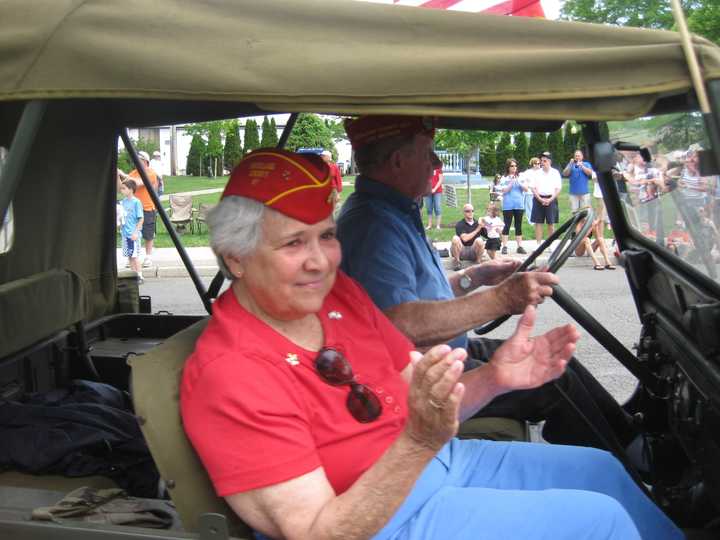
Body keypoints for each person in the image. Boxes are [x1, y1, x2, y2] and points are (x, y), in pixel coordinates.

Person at [181, 148, 681, 540]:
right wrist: (420, 440)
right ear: (237, 258)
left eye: (327, 237)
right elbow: (318, 531)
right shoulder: (232, 372)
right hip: (379, 523)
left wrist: (495, 378)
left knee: (601, 472)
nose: (320, 262)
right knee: (597, 523)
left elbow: (418, 403)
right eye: (293, 243)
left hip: (434, 467)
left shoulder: (339, 299)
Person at [337, 116, 638, 450]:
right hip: (423, 382)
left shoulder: (392, 212)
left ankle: (629, 433)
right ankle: (632, 461)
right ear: (397, 161)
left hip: (444, 354)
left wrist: (475, 277)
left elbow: (422, 298)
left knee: (559, 360)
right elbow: (399, 323)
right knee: (556, 381)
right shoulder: (374, 227)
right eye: (429, 154)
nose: (436, 163)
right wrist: (501, 298)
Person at [124, 151, 159, 268]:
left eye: (139, 159)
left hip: (147, 207)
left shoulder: (151, 173)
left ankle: (148, 257)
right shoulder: (133, 173)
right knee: (131, 232)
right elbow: (124, 185)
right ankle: (132, 258)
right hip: (133, 209)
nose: (136, 161)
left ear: (145, 161)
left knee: (148, 234)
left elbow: (138, 183)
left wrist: (123, 174)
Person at [530, 151, 561, 247]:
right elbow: (533, 187)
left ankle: (550, 244)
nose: (542, 163)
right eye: (541, 161)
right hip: (538, 199)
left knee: (550, 223)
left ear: (550, 161)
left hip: (551, 199)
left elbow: (558, 188)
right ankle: (538, 244)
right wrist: (540, 199)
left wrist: (550, 199)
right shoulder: (537, 173)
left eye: (545, 161)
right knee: (538, 222)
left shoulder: (555, 173)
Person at [499, 158, 528, 255]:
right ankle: (505, 246)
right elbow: (504, 191)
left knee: (518, 225)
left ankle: (519, 246)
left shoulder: (521, 177)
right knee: (506, 225)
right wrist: (511, 182)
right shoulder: (504, 178)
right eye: (512, 166)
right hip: (508, 205)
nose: (514, 168)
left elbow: (526, 189)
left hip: (519, 205)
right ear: (508, 167)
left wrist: (518, 182)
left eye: (515, 166)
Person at [118, 180, 144, 283]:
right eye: (121, 188)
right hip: (125, 234)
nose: (121, 190)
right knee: (129, 256)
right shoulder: (122, 202)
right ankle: (133, 275)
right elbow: (121, 217)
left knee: (135, 256)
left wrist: (136, 232)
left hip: (133, 235)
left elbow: (141, 219)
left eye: (124, 188)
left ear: (131, 190)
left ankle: (140, 275)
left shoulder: (136, 202)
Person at [450, 204, 486, 271]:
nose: (470, 213)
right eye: (468, 211)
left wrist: (490, 227)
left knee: (480, 240)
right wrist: (478, 229)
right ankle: (457, 262)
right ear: (464, 212)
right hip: (461, 251)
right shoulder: (460, 224)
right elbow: (465, 239)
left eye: (472, 211)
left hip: (474, 252)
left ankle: (478, 262)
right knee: (455, 238)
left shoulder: (478, 223)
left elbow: (489, 237)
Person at [424, 155, 443, 230]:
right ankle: (429, 225)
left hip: (437, 191)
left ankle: (438, 225)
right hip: (428, 191)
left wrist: (434, 189)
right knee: (429, 208)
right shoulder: (426, 168)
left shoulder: (439, 169)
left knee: (437, 208)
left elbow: (440, 180)